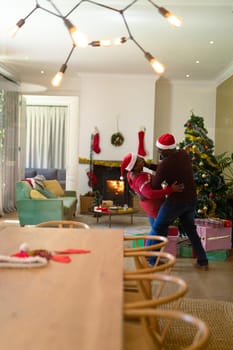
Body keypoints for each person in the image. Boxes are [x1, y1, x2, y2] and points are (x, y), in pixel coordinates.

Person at [150, 133, 209, 270]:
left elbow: (155, 185)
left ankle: (152, 261)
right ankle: (202, 261)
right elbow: (166, 169)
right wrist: (149, 166)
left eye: (160, 149)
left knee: (158, 227)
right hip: (191, 199)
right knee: (191, 230)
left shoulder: (165, 163)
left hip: (176, 201)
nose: (158, 151)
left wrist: (164, 187)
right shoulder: (183, 154)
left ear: (167, 149)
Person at [120, 152, 184, 233]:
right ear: (135, 167)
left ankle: (157, 242)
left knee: (155, 228)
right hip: (154, 206)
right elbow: (149, 194)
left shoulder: (130, 174)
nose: (142, 160)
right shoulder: (141, 178)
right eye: (140, 160)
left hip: (148, 206)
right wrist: (170, 189)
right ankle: (154, 244)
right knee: (159, 231)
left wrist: (146, 165)